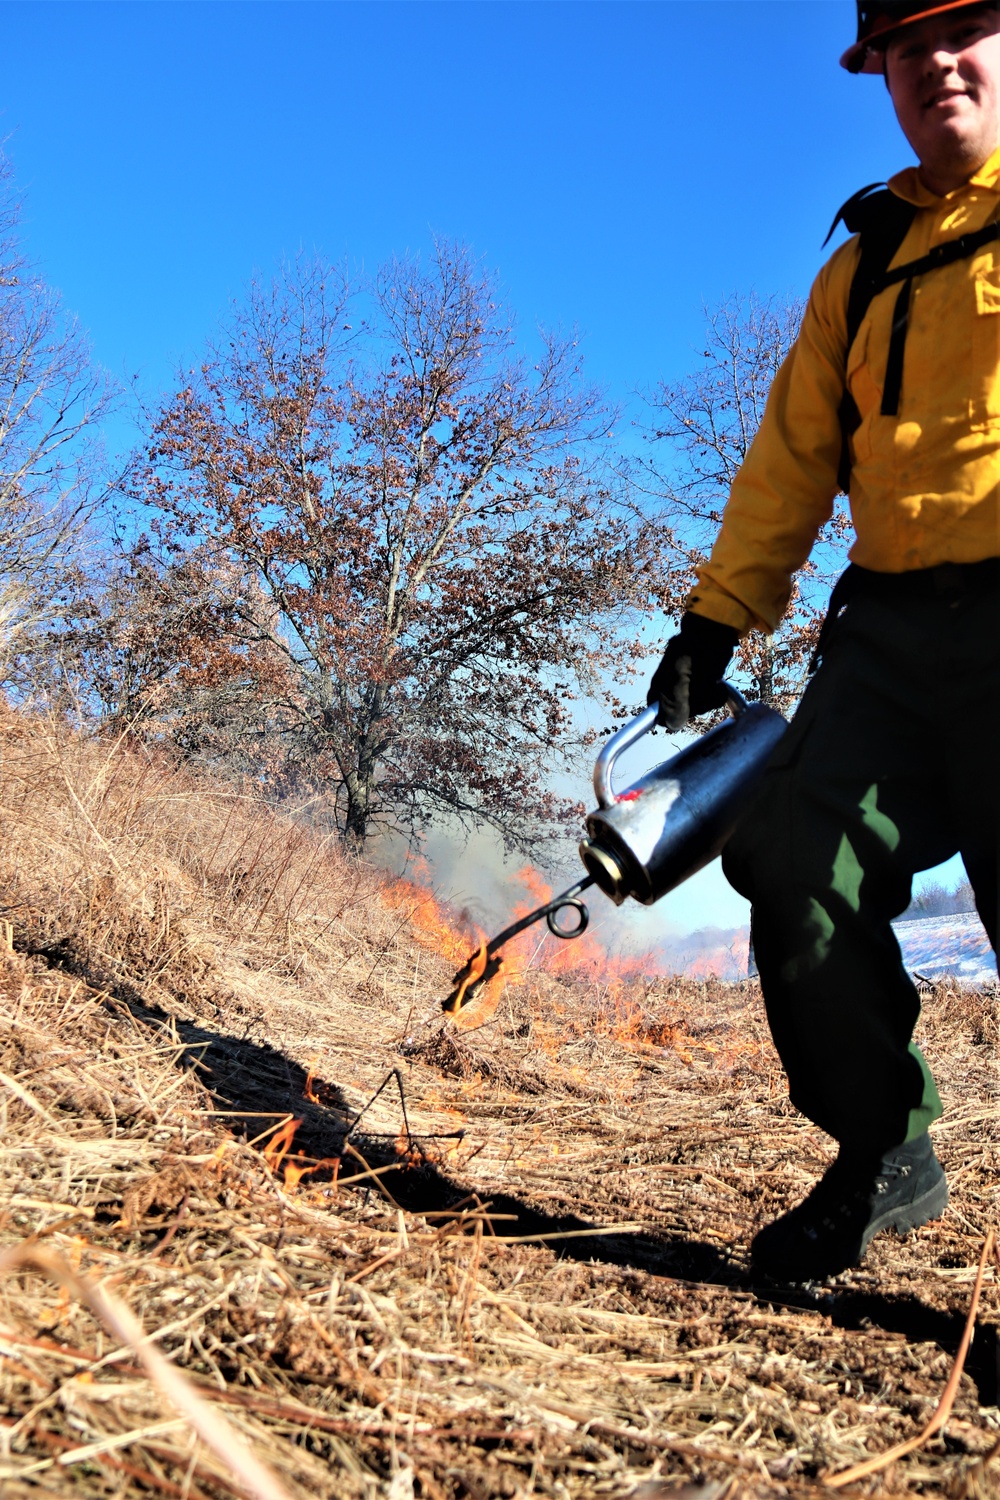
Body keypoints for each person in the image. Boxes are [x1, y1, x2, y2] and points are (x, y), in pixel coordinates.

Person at [647, 0, 1000, 1282]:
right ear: (879, 76)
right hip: (889, 634)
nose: (937, 61)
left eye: (966, 29)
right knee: (792, 862)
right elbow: (794, 456)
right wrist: (715, 616)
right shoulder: (860, 263)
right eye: (907, 48)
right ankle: (880, 1147)